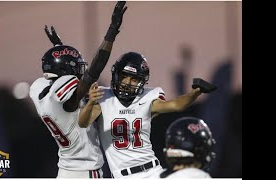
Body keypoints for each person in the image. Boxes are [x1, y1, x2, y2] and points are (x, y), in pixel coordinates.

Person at [29, 1, 128, 178]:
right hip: (86, 171)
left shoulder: (40, 90)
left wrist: (60, 47)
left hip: (65, 171)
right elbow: (94, 71)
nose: (80, 72)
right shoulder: (68, 95)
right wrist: (111, 32)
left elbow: (64, 80)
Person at [79, 52, 217, 178]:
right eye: (124, 76)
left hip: (153, 172)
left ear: (142, 81)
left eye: (133, 79)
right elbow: (83, 123)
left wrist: (195, 93)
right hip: (122, 176)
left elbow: (176, 105)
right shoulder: (104, 97)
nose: (127, 82)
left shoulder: (147, 98)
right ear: (116, 75)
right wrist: (91, 102)